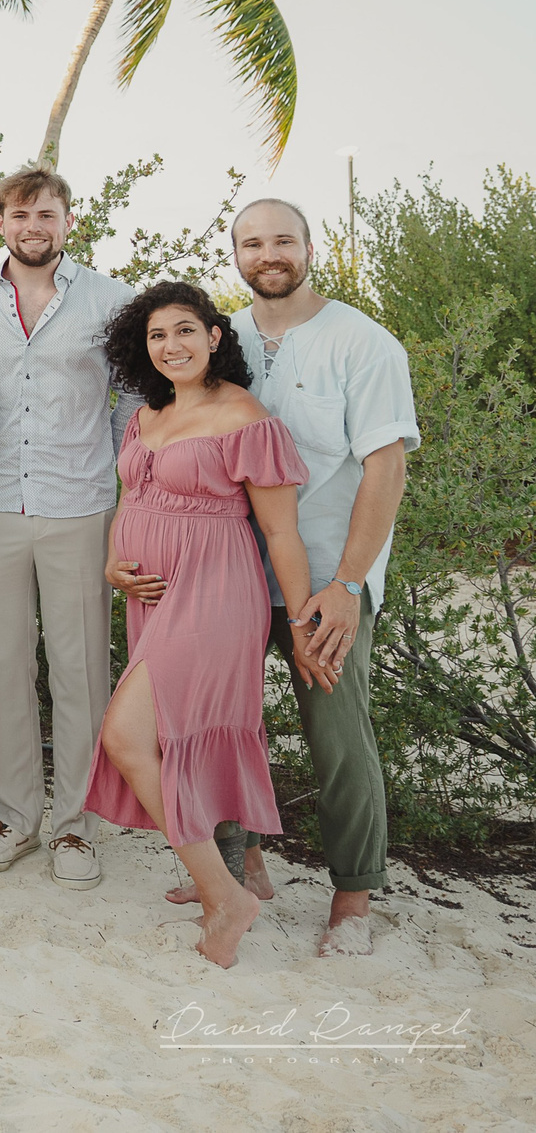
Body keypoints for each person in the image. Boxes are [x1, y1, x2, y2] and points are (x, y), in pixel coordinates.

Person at [211, 199, 417, 957]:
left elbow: (386, 466)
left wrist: (349, 583)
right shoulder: (220, 335)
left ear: (309, 246)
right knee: (227, 727)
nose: (270, 253)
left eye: (284, 240)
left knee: (336, 737)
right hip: (231, 575)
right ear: (235, 251)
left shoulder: (363, 342)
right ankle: (248, 865)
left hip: (327, 581)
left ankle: (354, 897)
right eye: (253, 241)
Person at [85, 281, 312, 969]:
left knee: (126, 735)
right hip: (151, 594)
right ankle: (225, 869)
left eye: (185, 330)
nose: (171, 345)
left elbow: (281, 533)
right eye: (157, 335)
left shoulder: (242, 413)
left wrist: (301, 623)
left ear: (215, 335)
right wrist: (112, 565)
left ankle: (227, 894)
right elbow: (130, 497)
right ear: (142, 347)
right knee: (177, 736)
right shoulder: (147, 414)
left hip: (215, 592)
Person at [0, 166, 137, 892]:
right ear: (0, 222)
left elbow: (136, 395)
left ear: (68, 221)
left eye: (47, 214)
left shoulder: (111, 298)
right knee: (0, 664)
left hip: (79, 505)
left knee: (81, 667)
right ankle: (11, 817)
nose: (34, 227)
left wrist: (118, 477)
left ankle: (76, 825)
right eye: (21, 214)